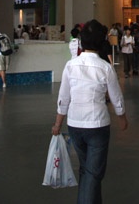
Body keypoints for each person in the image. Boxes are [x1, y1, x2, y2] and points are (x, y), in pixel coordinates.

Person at [52, 19, 128, 204]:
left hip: (75, 124)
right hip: (97, 124)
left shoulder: (70, 65)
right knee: (93, 174)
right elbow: (116, 97)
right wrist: (122, 117)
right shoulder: (105, 67)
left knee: (86, 169)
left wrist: (57, 124)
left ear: (81, 41)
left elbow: (64, 98)